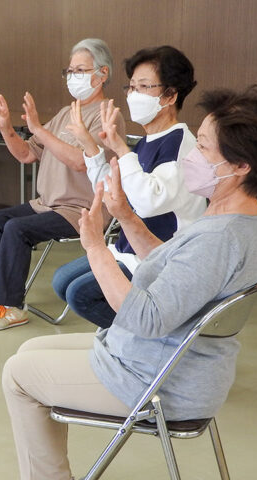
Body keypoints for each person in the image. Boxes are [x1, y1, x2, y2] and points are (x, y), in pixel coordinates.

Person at [0, 86, 257, 480]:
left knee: (17, 375)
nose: (192, 155)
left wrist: (95, 244)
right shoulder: (234, 218)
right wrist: (127, 218)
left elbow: (146, 316)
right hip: (161, 362)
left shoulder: (221, 237)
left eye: (204, 148)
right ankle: (46, 478)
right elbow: (169, 269)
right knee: (29, 351)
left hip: (160, 381)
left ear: (240, 166)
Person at [0, 38, 125, 331]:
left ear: (102, 74)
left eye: (80, 69)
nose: (73, 76)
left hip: (81, 211)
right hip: (47, 204)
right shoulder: (65, 113)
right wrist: (6, 128)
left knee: (17, 229)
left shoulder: (108, 115)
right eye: (70, 70)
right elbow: (27, 154)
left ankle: (11, 307)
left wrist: (39, 128)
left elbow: (81, 161)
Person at [52, 46, 207, 328]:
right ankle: (127, 336)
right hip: (128, 248)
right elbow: (113, 191)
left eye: (144, 87)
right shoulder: (148, 141)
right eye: (131, 87)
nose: (133, 95)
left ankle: (145, 339)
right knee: (62, 281)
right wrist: (91, 147)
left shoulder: (180, 145)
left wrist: (121, 148)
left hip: (159, 256)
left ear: (170, 95)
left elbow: (148, 201)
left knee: (81, 295)